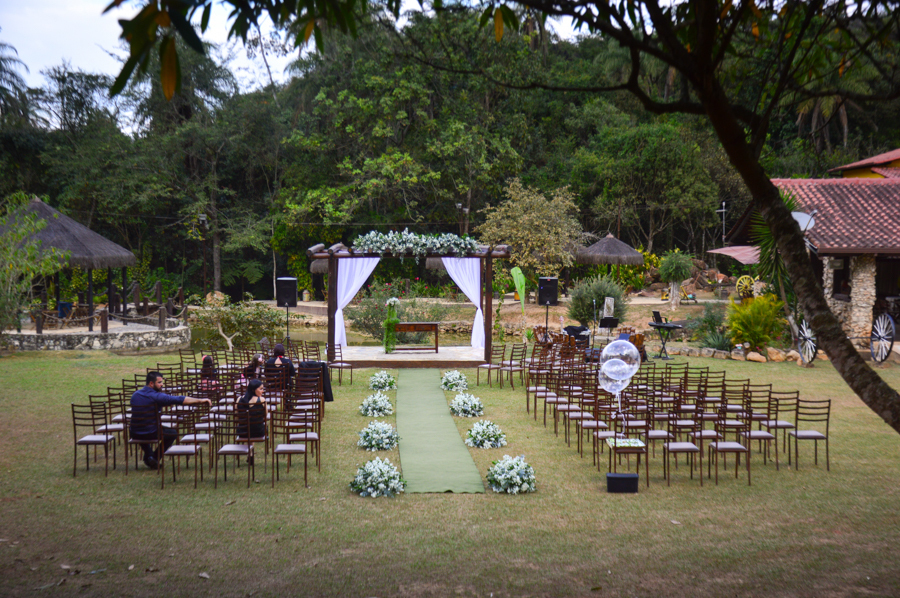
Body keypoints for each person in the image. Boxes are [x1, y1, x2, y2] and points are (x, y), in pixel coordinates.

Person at [130, 371, 212, 470]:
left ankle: (149, 455)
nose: (162, 385)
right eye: (159, 382)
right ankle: (154, 457)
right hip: (150, 431)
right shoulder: (156, 396)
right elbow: (179, 399)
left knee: (144, 427)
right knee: (172, 433)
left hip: (134, 432)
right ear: (151, 384)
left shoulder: (135, 395)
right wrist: (200, 400)